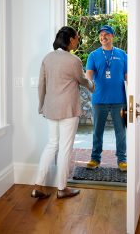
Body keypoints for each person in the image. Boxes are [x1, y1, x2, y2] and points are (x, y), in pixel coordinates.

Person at [31, 26, 94, 200]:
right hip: (68, 109)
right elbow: (82, 80)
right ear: (70, 40)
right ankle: (62, 188)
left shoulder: (47, 58)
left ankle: (38, 185)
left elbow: (41, 85)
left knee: (52, 145)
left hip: (50, 108)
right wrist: (93, 86)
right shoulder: (73, 61)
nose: (78, 40)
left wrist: (41, 106)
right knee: (65, 148)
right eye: (77, 37)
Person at [86, 25, 127, 172]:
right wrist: (90, 85)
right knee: (97, 131)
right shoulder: (93, 55)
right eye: (101, 35)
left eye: (106, 34)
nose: (103, 37)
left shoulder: (122, 54)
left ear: (112, 36)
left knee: (120, 132)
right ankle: (95, 158)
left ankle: (122, 160)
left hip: (119, 99)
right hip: (99, 100)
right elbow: (89, 75)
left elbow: (128, 76)